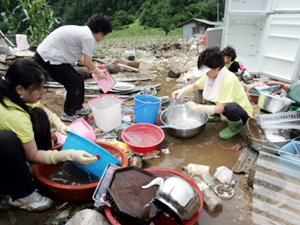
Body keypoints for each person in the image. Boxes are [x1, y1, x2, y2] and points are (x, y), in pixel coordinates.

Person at [0, 60, 97, 212]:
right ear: (20, 89)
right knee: (7, 140)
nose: (42, 92)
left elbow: (42, 109)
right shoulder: (14, 116)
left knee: (38, 114)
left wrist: (59, 125)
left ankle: (39, 169)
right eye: (38, 88)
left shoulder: (12, 93)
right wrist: (70, 155)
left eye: (42, 87)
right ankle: (21, 194)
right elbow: (32, 155)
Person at [34, 13, 112, 122]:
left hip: (50, 56)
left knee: (78, 80)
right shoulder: (88, 37)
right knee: (74, 83)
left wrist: (96, 69)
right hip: (48, 59)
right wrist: (98, 72)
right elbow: (88, 63)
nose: (104, 38)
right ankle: (68, 113)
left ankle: (78, 108)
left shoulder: (84, 32)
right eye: (105, 35)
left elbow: (82, 59)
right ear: (100, 32)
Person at [172, 47, 253, 139]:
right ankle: (216, 116)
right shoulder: (211, 75)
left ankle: (234, 128)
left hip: (242, 114)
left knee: (231, 107)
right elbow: (196, 86)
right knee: (208, 92)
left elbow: (220, 108)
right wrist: (182, 91)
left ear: (217, 67)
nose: (205, 74)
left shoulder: (228, 80)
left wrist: (197, 108)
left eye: (206, 71)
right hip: (224, 107)